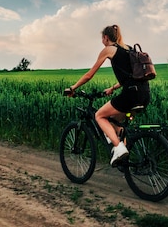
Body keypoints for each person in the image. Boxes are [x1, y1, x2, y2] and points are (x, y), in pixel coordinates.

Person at [64, 24, 151, 167]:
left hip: (130, 94)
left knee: (99, 115)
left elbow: (89, 75)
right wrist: (113, 87)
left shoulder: (108, 49)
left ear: (105, 38)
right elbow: (132, 76)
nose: (102, 41)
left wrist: (73, 87)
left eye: (102, 38)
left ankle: (118, 146)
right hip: (144, 93)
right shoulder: (128, 48)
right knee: (116, 122)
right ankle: (124, 158)